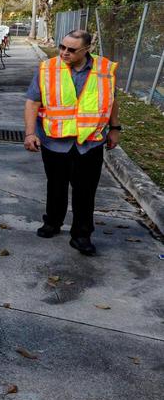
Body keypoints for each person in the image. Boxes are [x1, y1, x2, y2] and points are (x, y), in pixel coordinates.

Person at [24, 29, 120, 256]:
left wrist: (115, 129)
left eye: (71, 50)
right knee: (55, 186)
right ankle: (53, 222)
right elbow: (32, 103)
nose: (64, 53)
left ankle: (81, 235)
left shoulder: (105, 70)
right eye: (62, 47)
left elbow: (112, 101)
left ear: (87, 50)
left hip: (89, 143)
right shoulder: (48, 68)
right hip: (55, 141)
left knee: (85, 191)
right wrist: (30, 133)